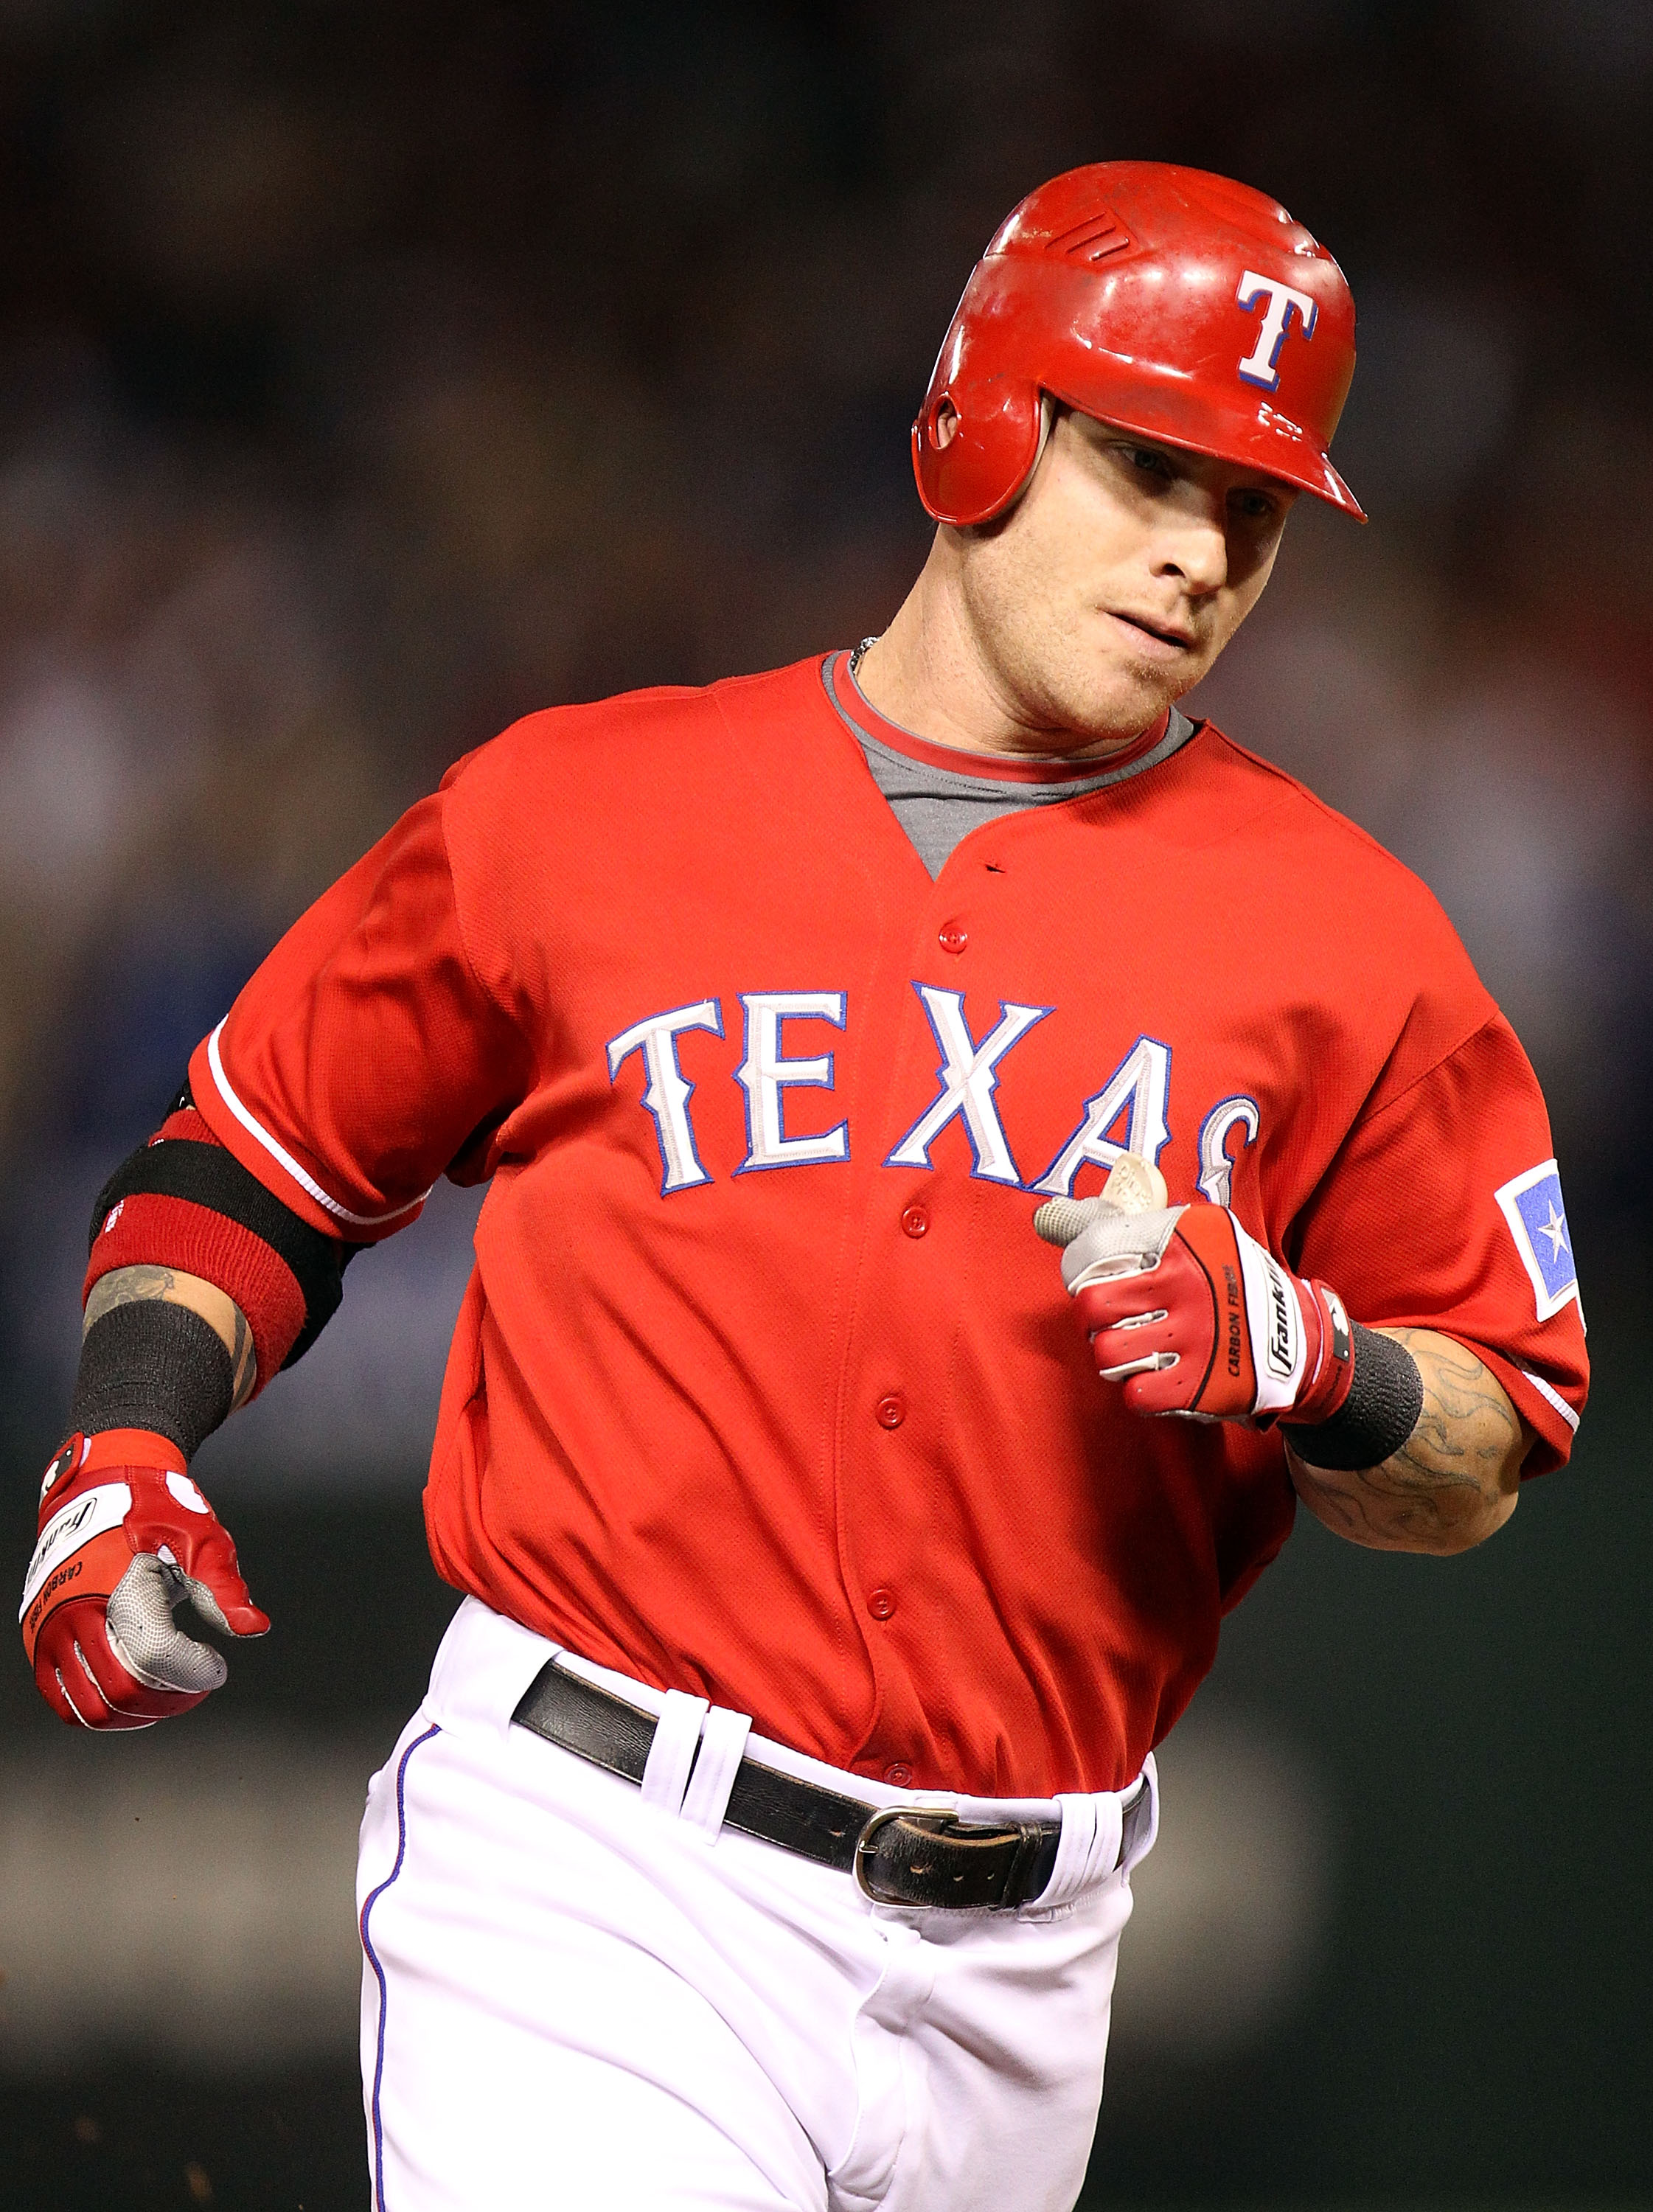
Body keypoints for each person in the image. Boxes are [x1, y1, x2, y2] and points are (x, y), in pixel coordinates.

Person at [20, 161, 1588, 2212]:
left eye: (1252, 510)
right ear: (978, 422)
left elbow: (1482, 1445)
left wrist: (1312, 1364)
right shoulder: (580, 812)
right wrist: (125, 1439)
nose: (1198, 553)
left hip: (1030, 1961)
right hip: (595, 1869)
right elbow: (258, 1157)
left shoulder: (1351, 944)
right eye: (1145, 466)